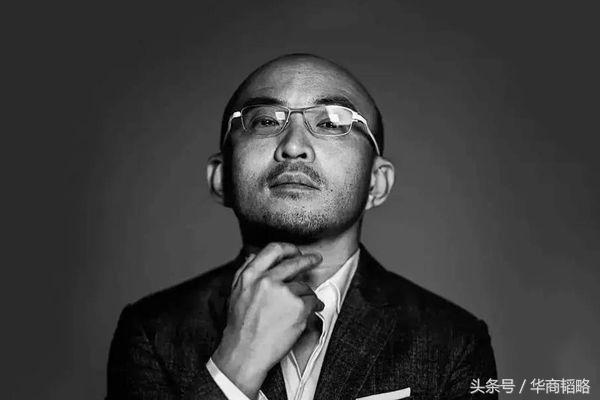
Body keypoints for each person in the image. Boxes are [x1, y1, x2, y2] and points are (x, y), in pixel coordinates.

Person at [106, 54, 497, 400]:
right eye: (264, 121)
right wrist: (236, 365)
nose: (294, 145)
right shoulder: (152, 331)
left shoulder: (453, 340)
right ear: (220, 177)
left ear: (376, 183)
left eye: (331, 122)